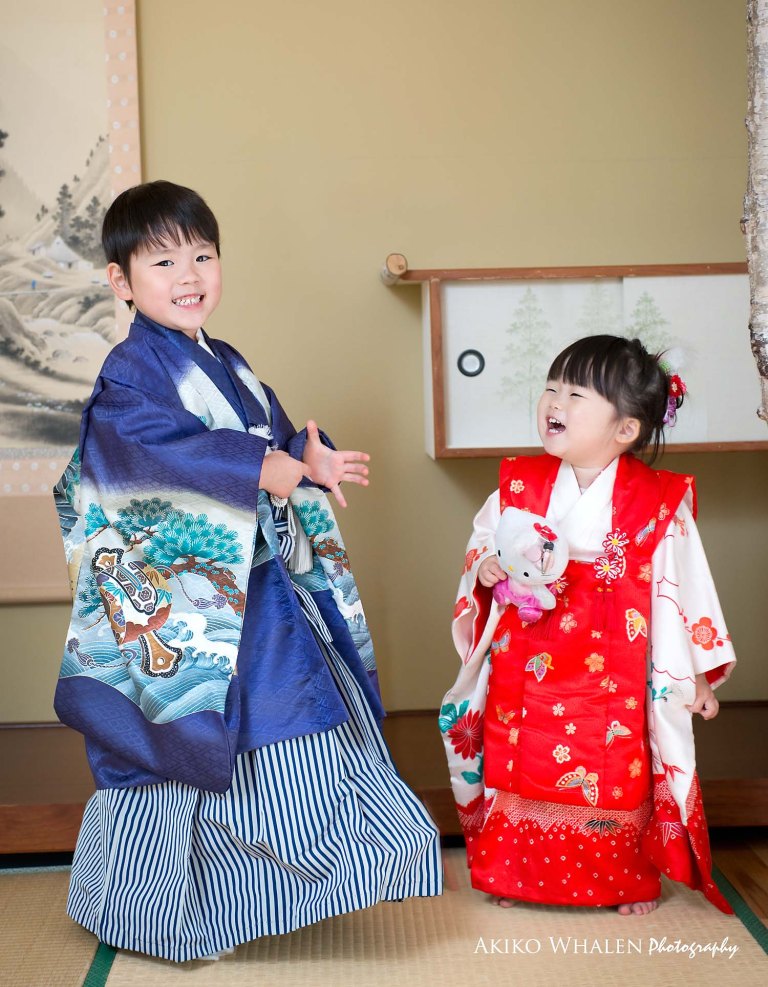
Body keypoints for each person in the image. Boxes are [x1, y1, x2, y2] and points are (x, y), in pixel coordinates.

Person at [54, 180, 441, 962]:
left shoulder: (224, 362)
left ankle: (254, 899)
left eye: (202, 254)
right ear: (121, 282)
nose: (188, 273)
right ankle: (153, 912)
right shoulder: (131, 376)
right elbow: (149, 460)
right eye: (162, 260)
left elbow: (267, 443)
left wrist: (305, 457)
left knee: (288, 726)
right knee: (186, 744)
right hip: (193, 607)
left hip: (258, 595)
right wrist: (258, 465)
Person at [440, 334, 735, 915]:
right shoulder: (519, 484)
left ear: (625, 429)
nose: (555, 401)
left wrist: (694, 675)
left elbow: (687, 592)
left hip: (614, 674)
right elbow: (482, 543)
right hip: (525, 658)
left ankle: (621, 882)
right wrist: (488, 562)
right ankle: (515, 873)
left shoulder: (656, 501)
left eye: (576, 393)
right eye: (552, 387)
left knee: (614, 773)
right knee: (517, 761)